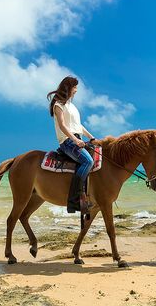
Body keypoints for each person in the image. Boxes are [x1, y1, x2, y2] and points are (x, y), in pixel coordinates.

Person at [47, 76, 96, 214]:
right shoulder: (58, 104)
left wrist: (92, 138)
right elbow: (62, 126)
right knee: (88, 161)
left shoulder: (72, 106)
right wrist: (75, 140)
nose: (76, 90)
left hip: (77, 139)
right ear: (68, 87)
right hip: (67, 142)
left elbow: (78, 126)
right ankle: (75, 200)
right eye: (75, 87)